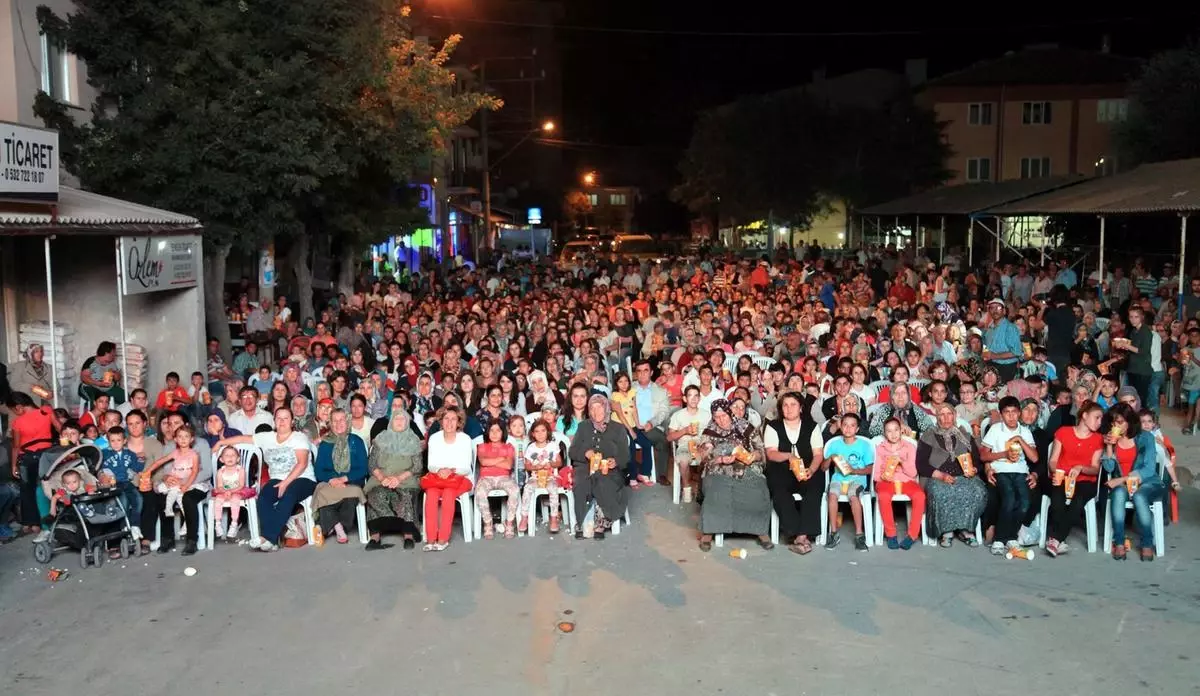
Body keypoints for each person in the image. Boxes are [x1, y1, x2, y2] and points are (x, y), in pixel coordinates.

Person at [215, 408, 315, 552]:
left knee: (288, 495)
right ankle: (272, 542)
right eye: (278, 418)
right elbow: (243, 439)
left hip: (303, 478)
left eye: (286, 418)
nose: (282, 421)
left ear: (292, 422)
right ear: (274, 421)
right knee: (264, 497)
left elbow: (302, 464)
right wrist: (221, 443)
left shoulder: (299, 437)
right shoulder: (267, 437)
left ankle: (267, 537)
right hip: (277, 478)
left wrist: (286, 483)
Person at [693, 399, 773, 552]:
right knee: (716, 491)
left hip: (746, 467)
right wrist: (721, 459)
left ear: (730, 413)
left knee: (758, 489)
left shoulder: (746, 427)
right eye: (716, 417)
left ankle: (759, 530)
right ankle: (708, 531)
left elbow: (761, 450)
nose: (721, 420)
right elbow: (703, 457)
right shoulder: (709, 431)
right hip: (719, 469)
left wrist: (751, 456)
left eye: (724, 415)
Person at [762, 391, 825, 555]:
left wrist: (811, 469)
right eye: (785, 405)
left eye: (793, 405)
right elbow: (771, 453)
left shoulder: (812, 426)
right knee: (780, 493)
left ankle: (802, 536)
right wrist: (789, 456)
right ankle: (797, 533)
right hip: (782, 469)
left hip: (807, 468)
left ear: (801, 408)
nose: (789, 409)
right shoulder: (773, 426)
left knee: (814, 488)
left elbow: (818, 454)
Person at [1099, 402, 1163, 561]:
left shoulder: (1145, 437)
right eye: (1113, 422)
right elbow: (1108, 468)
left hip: (1148, 482)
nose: (1116, 425)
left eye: (1120, 422)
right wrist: (1108, 447)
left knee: (1140, 496)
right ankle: (1119, 542)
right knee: (1119, 493)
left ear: (1129, 422)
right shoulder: (1111, 438)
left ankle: (1147, 543)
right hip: (1124, 485)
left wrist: (1121, 479)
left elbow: (1148, 469)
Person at [917, 403, 987, 547]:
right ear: (937, 417)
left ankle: (966, 530)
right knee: (940, 492)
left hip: (964, 476)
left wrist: (973, 469)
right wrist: (941, 475)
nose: (946, 417)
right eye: (942, 414)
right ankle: (946, 531)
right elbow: (921, 464)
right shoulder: (929, 435)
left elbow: (978, 461)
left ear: (955, 416)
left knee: (977, 491)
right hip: (937, 477)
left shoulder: (966, 436)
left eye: (949, 414)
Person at [980, 396, 1039, 556]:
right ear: (1001, 414)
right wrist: (1004, 454)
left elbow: (1034, 458)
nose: (1011, 416)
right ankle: (1000, 538)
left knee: (1025, 502)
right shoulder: (995, 429)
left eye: (1014, 412)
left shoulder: (1025, 431)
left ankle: (1011, 537)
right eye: (1007, 412)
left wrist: (1020, 439)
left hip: (1020, 472)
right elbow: (984, 456)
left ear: (1019, 413)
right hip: (1001, 471)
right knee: (1009, 499)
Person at [1043, 401, 1102, 557]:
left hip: (1085, 481)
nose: (1099, 422)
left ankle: (1056, 539)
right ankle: (1059, 541)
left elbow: (1095, 468)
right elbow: (1053, 460)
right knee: (1057, 500)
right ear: (1084, 415)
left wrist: (1081, 468)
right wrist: (1059, 472)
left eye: (1101, 419)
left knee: (1078, 501)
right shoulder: (1063, 432)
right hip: (1062, 477)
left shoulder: (1098, 439)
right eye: (1097, 417)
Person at [567, 395, 631, 540]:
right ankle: (583, 523)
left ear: (606, 407)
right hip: (585, 467)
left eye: (599, 407)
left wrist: (615, 461)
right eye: (592, 408)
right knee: (582, 483)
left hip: (610, 470)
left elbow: (626, 456)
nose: (596, 411)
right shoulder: (583, 427)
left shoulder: (618, 429)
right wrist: (586, 453)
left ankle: (602, 522)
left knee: (603, 481)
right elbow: (572, 451)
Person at [365, 409, 424, 550]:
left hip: (406, 479)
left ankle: (408, 535)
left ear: (407, 422)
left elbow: (417, 466)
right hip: (382, 478)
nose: (399, 422)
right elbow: (372, 464)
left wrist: (398, 478)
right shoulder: (381, 438)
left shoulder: (413, 440)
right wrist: (382, 477)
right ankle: (375, 537)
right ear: (391, 421)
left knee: (405, 495)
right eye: (396, 419)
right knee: (376, 494)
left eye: (402, 419)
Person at [6, 392, 60, 539]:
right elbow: (60, 428)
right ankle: (53, 517)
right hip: (47, 456)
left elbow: (16, 446)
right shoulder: (46, 410)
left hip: (28, 457)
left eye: (13, 411)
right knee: (46, 486)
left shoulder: (17, 423)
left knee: (27, 490)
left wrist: (13, 466)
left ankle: (33, 523)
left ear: (19, 407)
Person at [421, 407, 474, 551]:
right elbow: (431, 465)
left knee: (448, 494)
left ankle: (443, 539)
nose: (449, 422)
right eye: (446, 419)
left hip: (460, 478)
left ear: (459, 422)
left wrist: (450, 470)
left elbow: (466, 467)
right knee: (431, 494)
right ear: (441, 421)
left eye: (453, 419)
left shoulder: (465, 439)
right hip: (438, 477)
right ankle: (431, 539)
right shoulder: (434, 438)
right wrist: (440, 470)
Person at [312, 409, 368, 544]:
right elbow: (319, 470)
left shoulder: (356, 441)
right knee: (322, 491)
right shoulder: (325, 443)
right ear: (330, 423)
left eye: (342, 419)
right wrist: (332, 479)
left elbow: (363, 468)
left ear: (347, 421)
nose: (338, 423)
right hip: (330, 482)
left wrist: (344, 479)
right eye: (335, 421)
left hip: (351, 481)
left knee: (351, 495)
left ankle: (330, 525)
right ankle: (338, 527)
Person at [822, 412, 873, 552]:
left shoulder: (864, 445)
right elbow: (823, 468)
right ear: (840, 427)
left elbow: (869, 469)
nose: (848, 428)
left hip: (857, 480)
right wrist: (830, 458)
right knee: (832, 496)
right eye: (845, 425)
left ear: (857, 429)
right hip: (838, 479)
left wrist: (854, 471)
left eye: (852, 426)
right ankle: (833, 533)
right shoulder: (834, 444)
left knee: (853, 496)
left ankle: (859, 534)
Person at [873, 418, 924, 550]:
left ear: (901, 430)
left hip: (906, 479)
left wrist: (902, 462)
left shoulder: (909, 447)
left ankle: (912, 535)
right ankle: (891, 534)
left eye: (896, 430)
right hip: (886, 481)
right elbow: (876, 473)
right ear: (884, 433)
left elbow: (913, 473)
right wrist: (883, 477)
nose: (893, 434)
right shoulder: (880, 448)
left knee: (920, 496)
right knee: (883, 496)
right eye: (889, 431)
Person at [473, 420, 520, 539]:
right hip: (486, 478)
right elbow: (483, 461)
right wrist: (501, 458)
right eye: (491, 430)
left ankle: (509, 523)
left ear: (503, 432)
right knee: (480, 491)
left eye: (498, 430)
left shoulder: (508, 447)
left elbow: (508, 466)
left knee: (514, 490)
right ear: (487, 432)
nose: (494, 433)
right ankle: (488, 522)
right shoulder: (482, 447)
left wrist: (492, 462)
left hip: (504, 477)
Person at [666, 384, 711, 504]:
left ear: (699, 398)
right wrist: (685, 430)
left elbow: (712, 433)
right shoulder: (678, 415)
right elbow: (669, 437)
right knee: (684, 460)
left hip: (701, 444)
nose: (693, 399)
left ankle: (702, 489)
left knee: (707, 458)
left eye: (696, 396)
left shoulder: (706, 415)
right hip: (685, 444)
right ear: (685, 399)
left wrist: (704, 443)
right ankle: (686, 488)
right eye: (690, 396)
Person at [519, 419, 564, 534]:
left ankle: (553, 518)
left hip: (550, 477)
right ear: (533, 434)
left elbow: (559, 462)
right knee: (527, 488)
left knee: (553, 489)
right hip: (535, 477)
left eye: (543, 431)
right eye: (537, 431)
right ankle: (524, 517)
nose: (540, 434)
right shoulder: (531, 448)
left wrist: (551, 464)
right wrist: (535, 467)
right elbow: (527, 465)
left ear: (548, 432)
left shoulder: (553, 446)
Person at [99, 426, 143, 541]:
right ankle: (124, 526)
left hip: (126, 483)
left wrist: (141, 461)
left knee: (138, 499)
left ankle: (135, 526)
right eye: (112, 441)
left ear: (124, 441)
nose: (116, 443)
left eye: (118, 440)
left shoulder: (130, 454)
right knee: (123, 502)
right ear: (108, 442)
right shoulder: (104, 454)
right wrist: (103, 474)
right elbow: (97, 467)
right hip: (114, 484)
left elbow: (137, 467)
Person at [79, 341, 126, 405]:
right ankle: (95, 414)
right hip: (91, 387)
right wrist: (99, 383)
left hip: (108, 388)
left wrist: (114, 374)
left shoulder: (112, 363)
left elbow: (118, 378)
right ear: (106, 353)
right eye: (113, 353)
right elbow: (84, 378)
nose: (114, 355)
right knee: (96, 401)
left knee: (126, 398)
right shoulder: (91, 361)